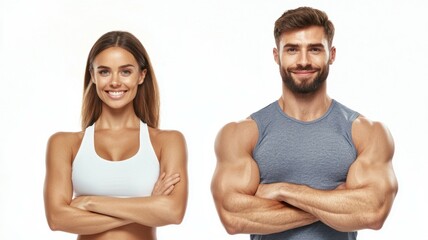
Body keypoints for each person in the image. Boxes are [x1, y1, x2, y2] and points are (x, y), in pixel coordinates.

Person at [211, 6, 398, 240]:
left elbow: (373, 211)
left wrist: (283, 190)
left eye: (315, 49)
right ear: (276, 55)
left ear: (332, 54)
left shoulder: (367, 132)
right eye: (292, 50)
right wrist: (336, 204)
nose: (303, 61)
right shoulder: (243, 134)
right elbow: (234, 218)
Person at [44, 31, 188, 240]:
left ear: (141, 75)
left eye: (125, 72)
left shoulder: (167, 141)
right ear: (92, 76)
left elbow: (173, 212)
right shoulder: (64, 143)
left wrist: (92, 203)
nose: (114, 82)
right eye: (104, 72)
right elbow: (57, 219)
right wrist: (147, 206)